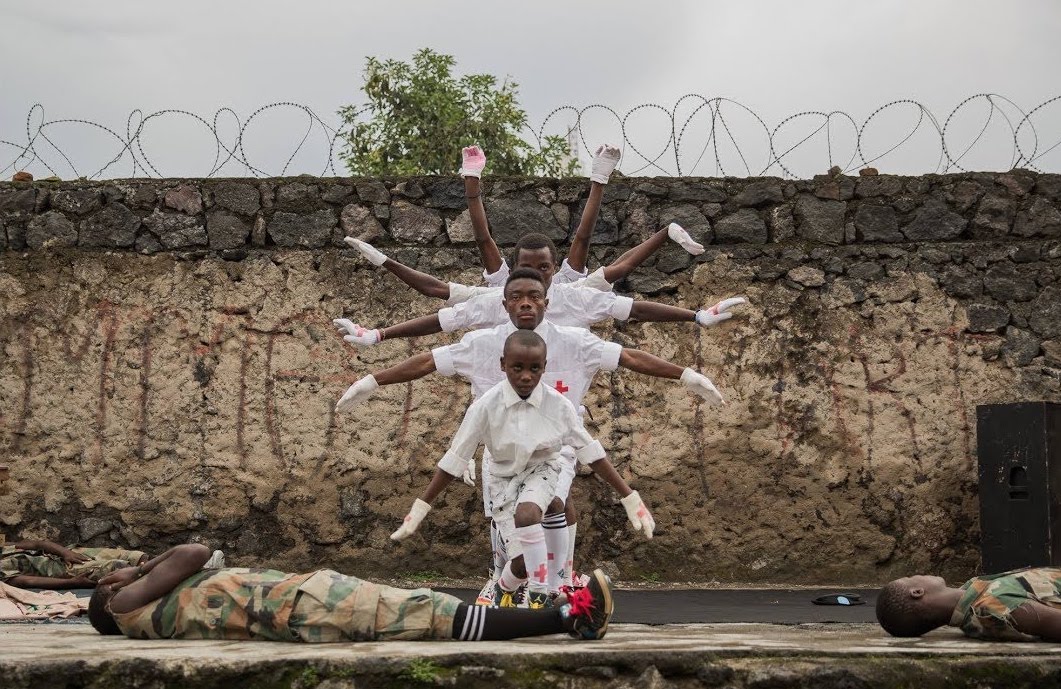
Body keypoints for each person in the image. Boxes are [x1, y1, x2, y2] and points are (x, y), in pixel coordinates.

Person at [334, 268, 723, 602]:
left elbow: (631, 358)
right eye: (516, 297)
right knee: (513, 543)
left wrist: (687, 376)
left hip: (556, 452)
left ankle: (557, 583)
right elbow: (425, 362)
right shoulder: (483, 346)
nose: (525, 304)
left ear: (546, 302)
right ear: (504, 305)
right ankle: (507, 581)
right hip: (501, 456)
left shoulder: (573, 342)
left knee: (552, 501)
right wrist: (371, 382)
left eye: (533, 297)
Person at [389, 330, 654, 609]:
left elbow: (591, 452)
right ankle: (505, 587)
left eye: (534, 369)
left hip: (543, 470)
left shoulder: (558, 405)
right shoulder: (485, 407)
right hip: (502, 480)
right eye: (517, 368)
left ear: (544, 368)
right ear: (503, 365)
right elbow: (454, 459)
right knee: (522, 561)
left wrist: (630, 497)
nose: (526, 376)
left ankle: (539, 596)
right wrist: (420, 508)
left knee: (529, 513)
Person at [342, 144, 706, 310]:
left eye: (544, 267)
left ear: (555, 267)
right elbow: (446, 279)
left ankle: (660, 226)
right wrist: (383, 261)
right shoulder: (501, 290)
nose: (536, 276)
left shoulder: (568, 286)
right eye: (527, 268)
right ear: (512, 269)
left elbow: (586, 237)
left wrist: (599, 180)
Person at [88, 543, 615, 642]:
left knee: (426, 611)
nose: (119, 575)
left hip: (300, 601)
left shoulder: (151, 606)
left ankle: (561, 614)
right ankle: (567, 618)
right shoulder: (123, 609)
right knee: (429, 613)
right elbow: (194, 552)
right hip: (299, 607)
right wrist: (143, 566)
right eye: (111, 581)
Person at [876, 567, 1061, 641]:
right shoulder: (993, 608)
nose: (917, 574)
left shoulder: (974, 590)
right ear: (917, 592)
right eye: (910, 577)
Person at [1, 538, 225, 590]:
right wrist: (75, 583)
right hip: (59, 570)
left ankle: (191, 564)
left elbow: (38, 542)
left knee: (133, 556)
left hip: (67, 556)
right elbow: (28, 580)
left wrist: (65, 551)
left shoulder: (5, 547)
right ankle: (199, 571)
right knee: (117, 567)